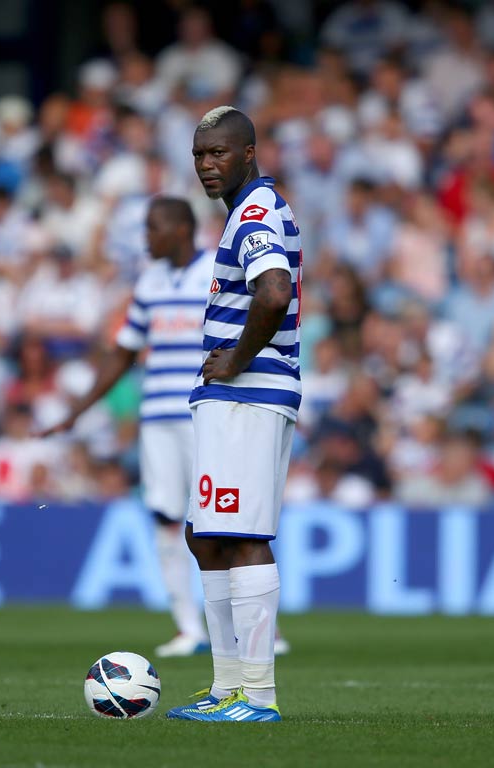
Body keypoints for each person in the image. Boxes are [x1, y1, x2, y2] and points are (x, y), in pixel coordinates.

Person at [164, 107, 302, 723]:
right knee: (206, 533)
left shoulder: (253, 213)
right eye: (199, 156)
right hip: (237, 399)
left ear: (249, 152)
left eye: (218, 153)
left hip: (249, 395)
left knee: (241, 536)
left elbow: (274, 291)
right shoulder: (247, 212)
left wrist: (237, 359)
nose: (206, 166)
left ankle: (258, 695)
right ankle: (227, 686)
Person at [46, 197, 214, 657]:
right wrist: (79, 409)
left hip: (206, 415)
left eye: (153, 228)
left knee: (219, 522)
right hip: (158, 418)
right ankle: (188, 627)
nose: (146, 237)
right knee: (164, 516)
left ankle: (253, 628)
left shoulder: (216, 273)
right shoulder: (150, 282)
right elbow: (123, 351)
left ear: (181, 230)